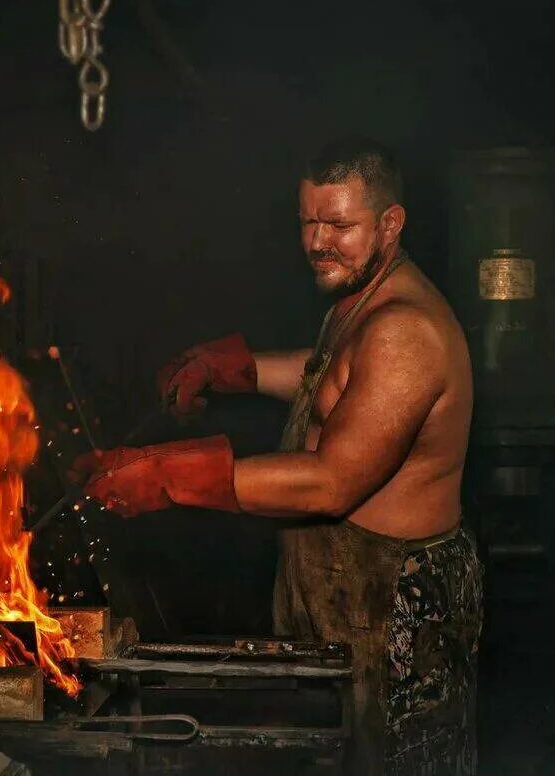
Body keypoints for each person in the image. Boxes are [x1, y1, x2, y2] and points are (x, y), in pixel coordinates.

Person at [74, 137, 483, 774]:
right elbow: (332, 380)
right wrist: (232, 368)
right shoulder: (360, 297)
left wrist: (168, 474)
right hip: (339, 593)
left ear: (390, 223)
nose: (317, 243)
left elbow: (330, 484)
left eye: (339, 225)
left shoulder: (406, 330)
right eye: (308, 221)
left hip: (391, 607)